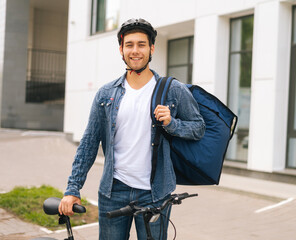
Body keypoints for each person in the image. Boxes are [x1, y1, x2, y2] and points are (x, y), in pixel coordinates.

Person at [58, 18, 205, 240]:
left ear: (151, 48)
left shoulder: (172, 89)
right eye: (129, 45)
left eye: (141, 44)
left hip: (155, 194)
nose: (135, 51)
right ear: (121, 49)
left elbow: (198, 128)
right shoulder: (106, 94)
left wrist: (172, 124)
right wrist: (72, 189)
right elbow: (88, 144)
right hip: (113, 191)